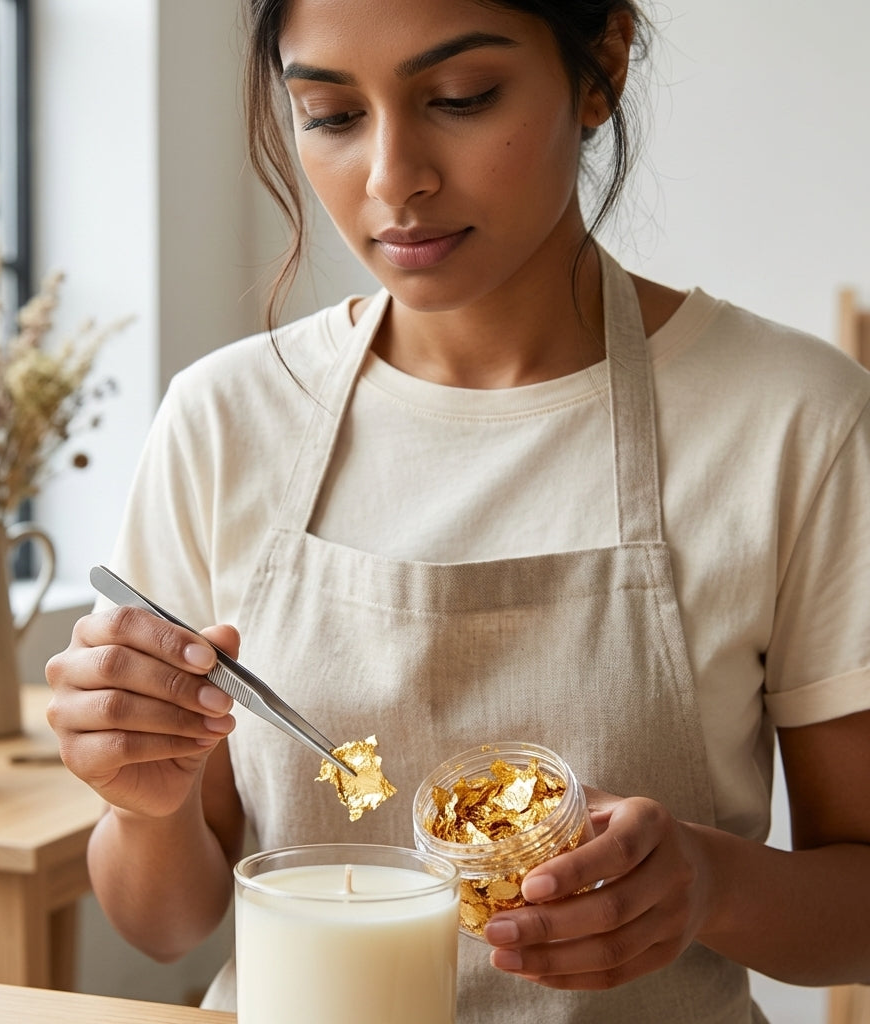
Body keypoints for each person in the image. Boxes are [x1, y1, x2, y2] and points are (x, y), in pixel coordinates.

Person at [44, 0, 870, 1020]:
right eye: (332, 114)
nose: (393, 181)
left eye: (460, 98)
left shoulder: (790, 417)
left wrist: (709, 882)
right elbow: (163, 924)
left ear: (601, 66)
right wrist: (144, 802)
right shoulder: (225, 418)